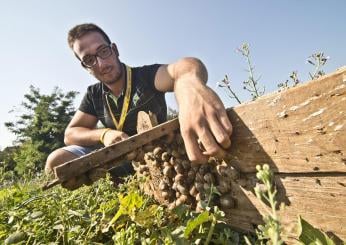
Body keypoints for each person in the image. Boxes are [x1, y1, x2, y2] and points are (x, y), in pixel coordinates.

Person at [45, 23, 232, 190]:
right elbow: (70, 134)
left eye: (103, 51)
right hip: (117, 162)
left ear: (115, 50)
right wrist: (104, 134)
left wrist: (188, 84)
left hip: (159, 160)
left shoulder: (145, 77)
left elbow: (184, 67)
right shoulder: (94, 94)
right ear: (85, 66)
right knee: (55, 162)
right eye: (89, 60)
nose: (101, 64)